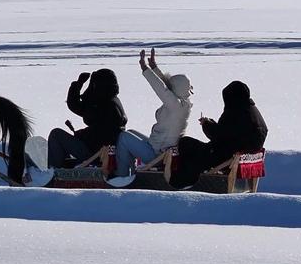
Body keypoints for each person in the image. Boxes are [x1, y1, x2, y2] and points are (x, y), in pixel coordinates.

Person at [114, 48, 192, 177]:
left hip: (157, 155)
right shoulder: (184, 103)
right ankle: (130, 170)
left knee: (123, 138)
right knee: (131, 132)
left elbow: (161, 89)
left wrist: (145, 69)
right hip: (160, 147)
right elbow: (167, 87)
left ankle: (122, 176)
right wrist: (154, 67)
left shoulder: (175, 105)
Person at [175, 80, 268, 186]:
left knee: (186, 143)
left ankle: (182, 182)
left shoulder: (235, 111)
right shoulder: (252, 111)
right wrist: (211, 124)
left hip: (223, 156)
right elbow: (228, 132)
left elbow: (218, 136)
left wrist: (206, 124)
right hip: (236, 156)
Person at [45, 68, 127, 167]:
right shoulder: (109, 100)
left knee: (56, 134)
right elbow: (78, 107)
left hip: (97, 154)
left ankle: (53, 173)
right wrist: (78, 85)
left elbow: (100, 134)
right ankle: (64, 166)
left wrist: (81, 134)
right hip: (103, 152)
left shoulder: (105, 106)